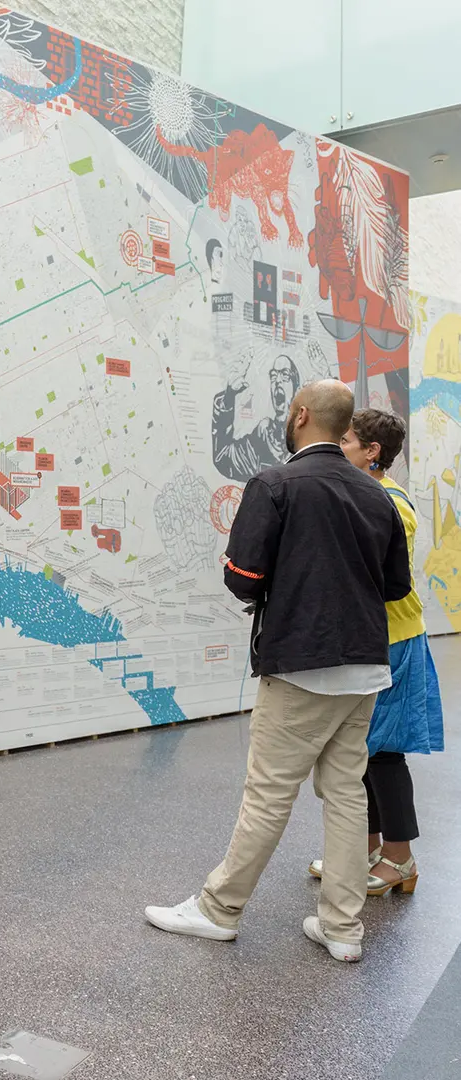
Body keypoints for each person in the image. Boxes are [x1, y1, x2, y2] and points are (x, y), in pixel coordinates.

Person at [145, 380, 411, 962]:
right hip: (365, 667)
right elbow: (396, 586)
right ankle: (343, 928)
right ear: (345, 428)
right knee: (346, 794)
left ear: (300, 415)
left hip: (299, 665)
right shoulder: (378, 497)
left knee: (268, 794)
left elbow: (243, 578)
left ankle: (219, 910)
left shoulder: (274, 484)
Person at [304, 409, 445, 894]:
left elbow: (374, 574)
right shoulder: (366, 495)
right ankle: (362, 852)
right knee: (358, 751)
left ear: (372, 452)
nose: (337, 447)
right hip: (369, 641)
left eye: (345, 441)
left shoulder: (391, 504)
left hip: (395, 641)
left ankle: (400, 860)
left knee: (384, 753)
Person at [212, 353, 300, 481]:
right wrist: (229, 397)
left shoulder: (308, 440)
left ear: (296, 389)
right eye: (273, 375)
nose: (277, 380)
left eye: (285, 375)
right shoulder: (265, 436)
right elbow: (223, 458)